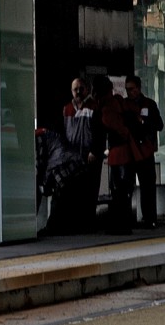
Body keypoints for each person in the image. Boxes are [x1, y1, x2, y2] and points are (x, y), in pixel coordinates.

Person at [92, 75, 137, 234]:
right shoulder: (118, 102)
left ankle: (121, 224)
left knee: (118, 189)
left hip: (118, 152)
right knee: (123, 189)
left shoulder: (107, 108)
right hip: (125, 151)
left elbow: (118, 129)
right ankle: (123, 223)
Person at [58, 76, 103, 233]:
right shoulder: (66, 109)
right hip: (72, 157)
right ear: (71, 91)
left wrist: (95, 151)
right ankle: (75, 223)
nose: (78, 92)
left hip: (88, 156)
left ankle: (88, 223)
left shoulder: (93, 108)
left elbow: (99, 133)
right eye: (75, 89)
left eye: (81, 88)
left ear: (87, 89)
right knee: (74, 190)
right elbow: (63, 133)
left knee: (89, 191)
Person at [123, 75, 164, 229]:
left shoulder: (149, 104)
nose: (129, 92)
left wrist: (144, 122)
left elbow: (159, 125)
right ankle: (129, 218)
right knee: (127, 186)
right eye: (127, 90)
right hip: (130, 151)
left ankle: (150, 218)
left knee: (148, 186)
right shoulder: (125, 105)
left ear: (139, 89)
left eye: (132, 89)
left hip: (145, 150)